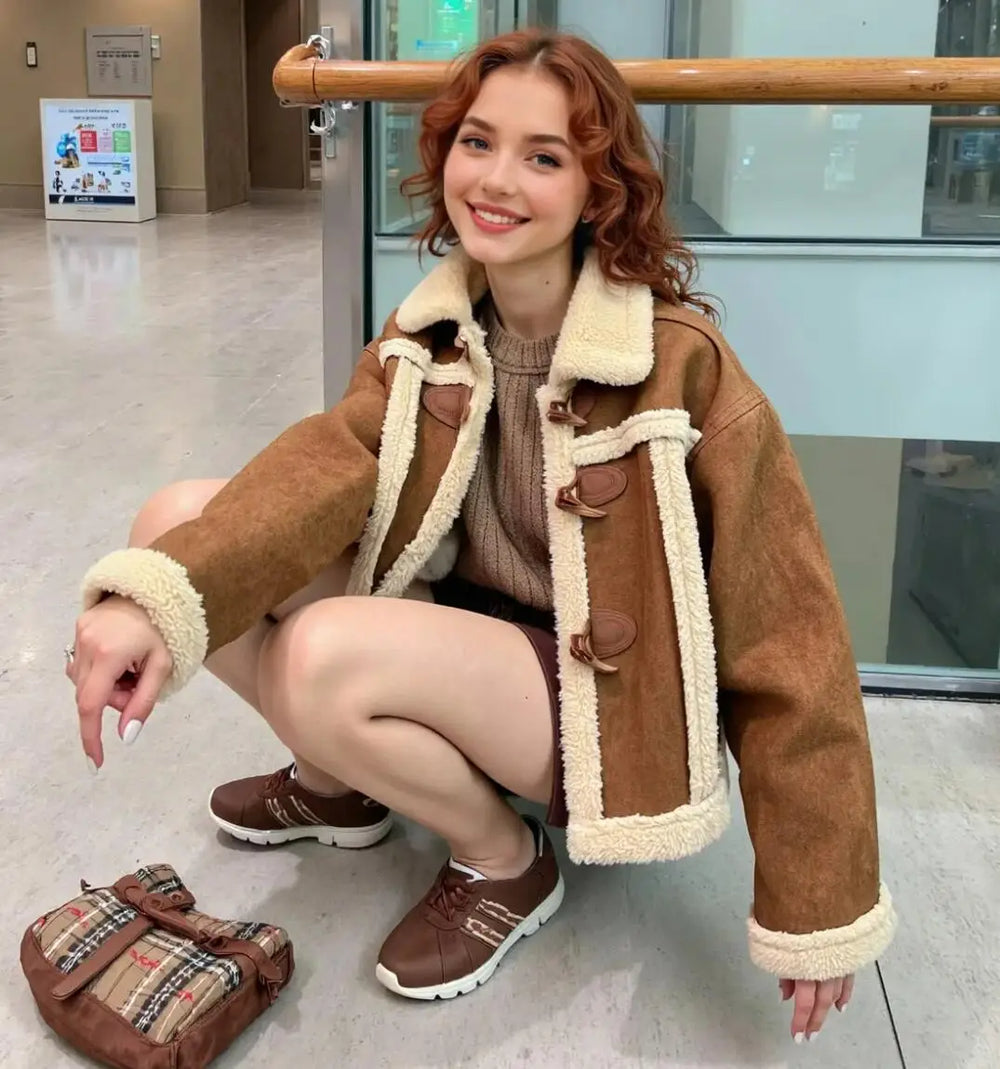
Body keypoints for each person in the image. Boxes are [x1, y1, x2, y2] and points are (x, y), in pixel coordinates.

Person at [67, 30, 896, 1040]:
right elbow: (328, 469)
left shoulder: (680, 369)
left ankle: (505, 859)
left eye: (544, 157)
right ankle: (338, 788)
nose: (496, 180)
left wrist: (821, 896)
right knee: (175, 525)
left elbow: (788, 636)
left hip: (594, 700)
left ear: (597, 189)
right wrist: (151, 596)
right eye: (476, 142)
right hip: (458, 632)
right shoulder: (429, 331)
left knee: (321, 658)